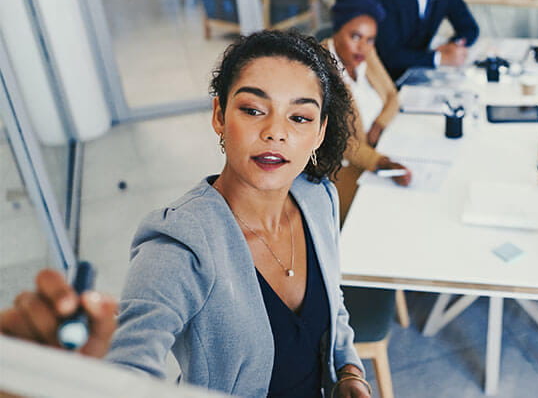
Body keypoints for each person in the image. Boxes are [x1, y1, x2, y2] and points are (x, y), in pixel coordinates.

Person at [0, 30, 371, 398]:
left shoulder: (318, 198)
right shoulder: (179, 246)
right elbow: (128, 370)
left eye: (300, 117)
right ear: (220, 116)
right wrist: (64, 378)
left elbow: (333, 303)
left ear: (320, 132)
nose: (276, 132)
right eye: (254, 110)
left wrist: (350, 371)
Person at [324, 0, 413, 221]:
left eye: (370, 39)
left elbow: (393, 95)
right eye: (355, 36)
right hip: (351, 173)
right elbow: (339, 141)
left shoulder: (366, 54)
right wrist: (381, 162)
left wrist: (379, 125)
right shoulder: (320, 72)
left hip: (387, 149)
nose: (363, 48)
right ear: (337, 29)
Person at [376, 0, 480, 80]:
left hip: (419, 71)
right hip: (388, 76)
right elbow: (390, 54)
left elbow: (469, 28)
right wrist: (439, 58)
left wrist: (453, 45)